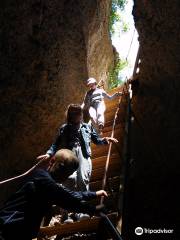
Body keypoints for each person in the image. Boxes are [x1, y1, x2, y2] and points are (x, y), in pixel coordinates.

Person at [0, 149, 108, 240]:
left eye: (68, 174)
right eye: (63, 170)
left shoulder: (49, 184)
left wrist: (94, 194)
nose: (64, 177)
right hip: (6, 228)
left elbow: (66, 194)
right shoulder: (40, 176)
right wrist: (93, 209)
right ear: (52, 161)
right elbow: (65, 198)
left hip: (18, 233)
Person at [37, 104, 118, 221]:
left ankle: (80, 213)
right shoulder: (64, 128)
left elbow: (96, 140)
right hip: (69, 155)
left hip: (84, 156)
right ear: (70, 115)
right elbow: (56, 143)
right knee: (68, 181)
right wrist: (49, 153)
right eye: (74, 113)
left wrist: (105, 140)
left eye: (79, 112)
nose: (77, 115)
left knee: (83, 181)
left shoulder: (87, 127)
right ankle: (64, 215)